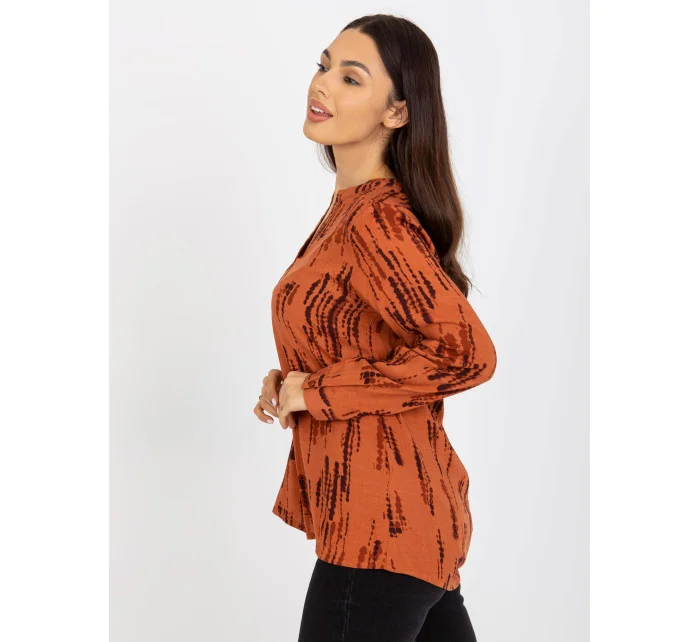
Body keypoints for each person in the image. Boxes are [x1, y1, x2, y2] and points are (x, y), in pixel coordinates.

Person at [253, 14, 497, 642]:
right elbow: (367, 343)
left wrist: (319, 391)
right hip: (408, 525)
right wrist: (293, 381)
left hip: (378, 528)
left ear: (397, 112)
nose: (322, 84)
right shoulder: (351, 212)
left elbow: (466, 354)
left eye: (351, 77)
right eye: (324, 65)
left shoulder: (376, 222)